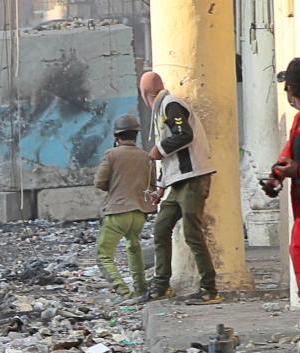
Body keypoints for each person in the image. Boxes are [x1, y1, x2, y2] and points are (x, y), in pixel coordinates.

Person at [137, 71, 222, 305]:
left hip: (193, 177)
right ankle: (161, 285)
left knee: (192, 233)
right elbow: (170, 160)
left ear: (147, 94)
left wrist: (159, 149)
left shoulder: (171, 105)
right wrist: (161, 187)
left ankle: (209, 289)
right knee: (161, 228)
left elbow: (184, 134)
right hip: (177, 181)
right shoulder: (160, 110)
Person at [263, 58, 300, 353]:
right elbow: (287, 157)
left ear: (294, 89)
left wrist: (296, 172)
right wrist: (275, 178)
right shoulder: (299, 121)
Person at [93, 113, 154, 301]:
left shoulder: (111, 154)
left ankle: (124, 292)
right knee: (134, 248)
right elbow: (151, 184)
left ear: (117, 137)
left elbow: (99, 182)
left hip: (118, 212)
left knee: (103, 256)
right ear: (135, 135)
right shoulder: (146, 157)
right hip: (139, 214)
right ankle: (141, 289)